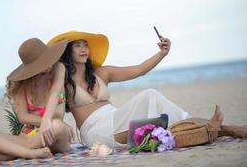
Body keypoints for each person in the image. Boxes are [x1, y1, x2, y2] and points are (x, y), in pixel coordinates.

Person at [47, 30, 247, 149]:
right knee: (150, 97)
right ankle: (221, 128)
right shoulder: (62, 76)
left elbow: (140, 70)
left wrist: (162, 53)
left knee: (164, 129)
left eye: (86, 45)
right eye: (77, 46)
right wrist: (49, 121)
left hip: (116, 120)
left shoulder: (102, 73)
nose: (84, 49)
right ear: (67, 51)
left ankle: (220, 129)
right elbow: (52, 94)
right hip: (96, 132)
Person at [0, 38, 73, 163]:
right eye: (43, 61)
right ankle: (29, 153)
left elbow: (56, 98)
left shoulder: (59, 68)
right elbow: (23, 117)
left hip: (55, 136)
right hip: (28, 137)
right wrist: (44, 122)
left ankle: (10, 153)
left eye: (48, 57)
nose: (49, 63)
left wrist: (47, 121)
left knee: (57, 125)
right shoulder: (22, 85)